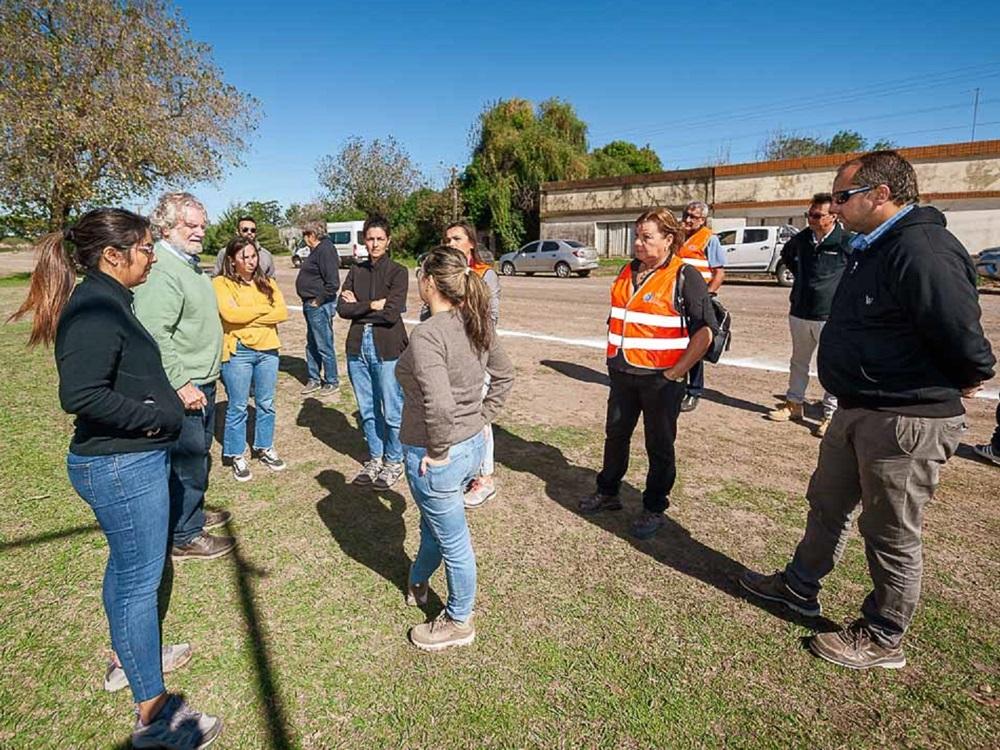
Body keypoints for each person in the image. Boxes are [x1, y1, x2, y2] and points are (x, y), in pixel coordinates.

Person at [740, 150, 995, 670]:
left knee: (890, 531)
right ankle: (799, 585)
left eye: (842, 196)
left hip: (905, 419)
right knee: (827, 505)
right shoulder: (875, 247)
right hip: (859, 409)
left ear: (881, 195)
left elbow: (963, 336)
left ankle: (883, 635)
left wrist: (965, 375)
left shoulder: (923, 249)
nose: (833, 206)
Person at [10, 208, 223, 747]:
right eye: (146, 248)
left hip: (130, 462)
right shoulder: (95, 309)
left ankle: (128, 657)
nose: (152, 257)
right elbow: (80, 395)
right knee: (137, 584)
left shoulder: (113, 299)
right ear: (113, 255)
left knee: (129, 571)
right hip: (121, 467)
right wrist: (161, 417)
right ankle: (155, 716)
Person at [396, 246, 515, 651]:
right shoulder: (474, 320)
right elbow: (503, 375)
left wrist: (440, 450)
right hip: (468, 447)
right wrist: (481, 420)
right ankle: (417, 579)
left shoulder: (430, 332)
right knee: (436, 526)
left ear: (429, 282)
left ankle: (459, 620)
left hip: (439, 454)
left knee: (454, 542)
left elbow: (441, 403)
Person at [580, 209, 718, 539]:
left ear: (669, 239)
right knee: (615, 435)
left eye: (647, 237)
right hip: (623, 372)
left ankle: (654, 506)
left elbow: (706, 333)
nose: (638, 243)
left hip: (661, 380)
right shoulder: (628, 271)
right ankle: (608, 491)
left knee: (659, 446)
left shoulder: (685, 276)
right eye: (637, 236)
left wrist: (675, 374)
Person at [134, 192, 235, 562]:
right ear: (166, 227)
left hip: (203, 380)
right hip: (185, 386)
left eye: (202, 226)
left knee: (196, 458)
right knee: (188, 459)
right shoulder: (163, 270)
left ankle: (188, 514)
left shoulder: (189, 264)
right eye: (189, 225)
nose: (199, 232)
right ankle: (184, 535)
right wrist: (181, 383)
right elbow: (155, 334)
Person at [766, 193, 852, 437]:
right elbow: (788, 257)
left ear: (833, 216)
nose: (811, 219)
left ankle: (830, 415)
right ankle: (794, 404)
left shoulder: (846, 241)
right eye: (809, 214)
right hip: (801, 311)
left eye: (816, 215)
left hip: (830, 316)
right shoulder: (802, 239)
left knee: (831, 366)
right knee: (798, 361)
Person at [337, 216, 409, 490]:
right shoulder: (356, 271)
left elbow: (391, 314)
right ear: (364, 241)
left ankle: (393, 460)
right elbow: (342, 310)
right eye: (370, 238)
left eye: (380, 238)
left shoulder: (398, 272)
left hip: (388, 346)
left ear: (388, 240)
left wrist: (361, 308)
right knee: (367, 409)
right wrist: (373, 304)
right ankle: (375, 458)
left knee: (392, 408)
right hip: (357, 347)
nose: (375, 243)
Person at [213, 237, 289, 482]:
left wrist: (248, 317)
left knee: (266, 402)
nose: (250, 261)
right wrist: (263, 313)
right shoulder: (220, 283)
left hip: (268, 351)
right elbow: (229, 314)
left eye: (253, 256)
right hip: (239, 352)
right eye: (244, 257)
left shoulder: (268, 283)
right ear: (232, 260)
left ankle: (264, 446)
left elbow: (282, 312)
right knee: (237, 405)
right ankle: (236, 454)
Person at [443, 221, 502, 508]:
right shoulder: (443, 274)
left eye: (456, 238)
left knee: (479, 418)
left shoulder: (484, 275)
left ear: (470, 243)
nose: (451, 243)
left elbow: (489, 317)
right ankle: (465, 471)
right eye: (447, 239)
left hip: (475, 355)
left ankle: (485, 478)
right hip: (449, 355)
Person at [677, 200, 725, 412]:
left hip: (697, 301)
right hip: (675, 299)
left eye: (693, 217)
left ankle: (693, 390)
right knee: (676, 342)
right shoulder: (677, 236)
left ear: (703, 220)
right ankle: (675, 384)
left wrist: (706, 298)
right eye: (686, 214)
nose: (688, 219)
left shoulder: (710, 239)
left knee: (695, 346)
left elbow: (719, 273)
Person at [295, 220, 341, 396]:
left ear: (312, 235)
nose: (304, 239)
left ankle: (331, 380)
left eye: (305, 235)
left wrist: (318, 300)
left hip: (318, 305)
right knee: (312, 344)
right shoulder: (317, 251)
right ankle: (314, 378)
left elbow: (332, 283)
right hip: (310, 304)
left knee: (324, 344)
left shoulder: (325, 249)